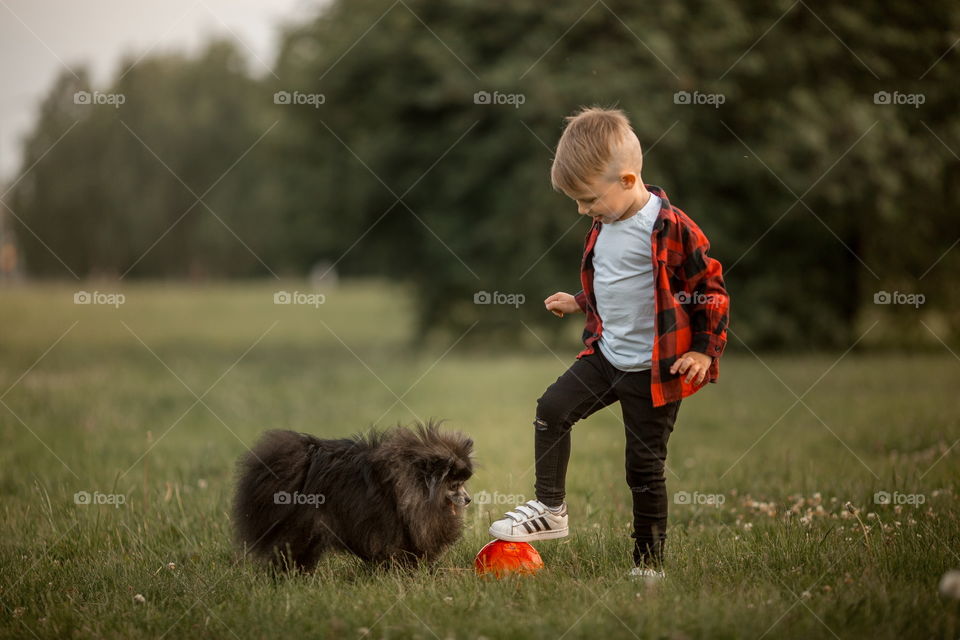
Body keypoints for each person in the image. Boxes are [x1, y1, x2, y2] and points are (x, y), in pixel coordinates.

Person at [488, 107, 730, 579]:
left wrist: (704, 350)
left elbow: (711, 289)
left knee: (643, 468)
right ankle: (550, 509)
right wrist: (579, 302)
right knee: (552, 408)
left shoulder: (671, 226)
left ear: (626, 179)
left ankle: (648, 564)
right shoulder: (605, 224)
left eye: (587, 199)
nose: (582, 211)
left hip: (655, 371)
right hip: (606, 356)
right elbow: (619, 283)